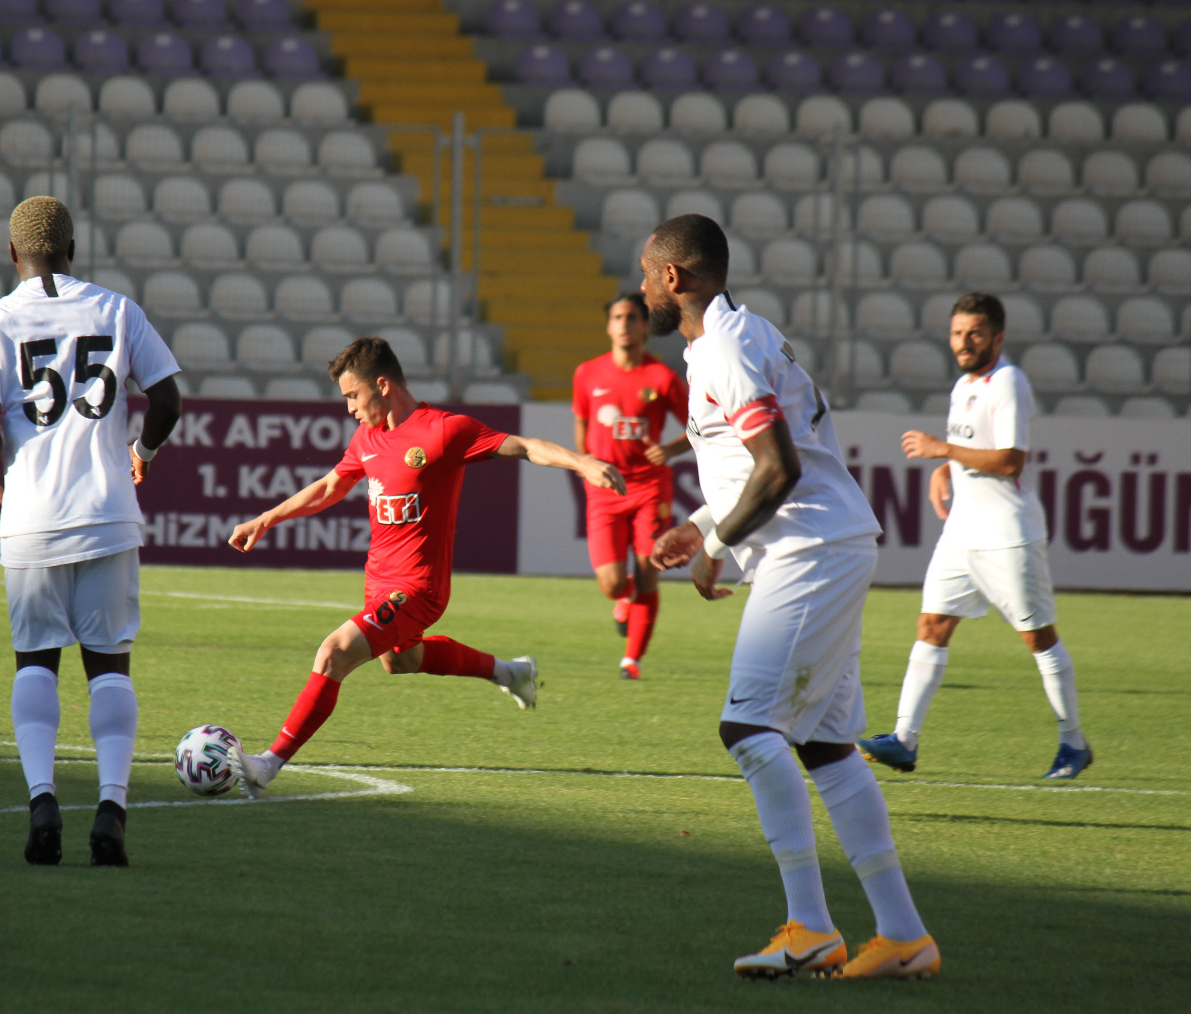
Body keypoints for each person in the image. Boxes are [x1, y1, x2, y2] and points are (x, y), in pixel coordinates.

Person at [645, 214, 938, 980]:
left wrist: (713, 550)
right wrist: (705, 521)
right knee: (825, 748)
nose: (641, 286)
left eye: (647, 273)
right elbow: (780, 460)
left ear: (675, 277)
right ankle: (903, 935)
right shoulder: (748, 335)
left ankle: (809, 925)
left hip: (805, 551)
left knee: (748, 728)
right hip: (824, 544)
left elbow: (778, 469)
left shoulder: (726, 349)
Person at [224, 336, 626, 798]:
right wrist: (267, 518)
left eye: (353, 396)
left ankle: (267, 764)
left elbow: (525, 446)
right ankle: (510, 672)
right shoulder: (367, 438)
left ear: (382, 385)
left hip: (417, 589)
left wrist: (583, 463)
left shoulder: (443, 431)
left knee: (333, 652)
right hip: (378, 582)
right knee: (402, 660)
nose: (349, 408)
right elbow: (330, 486)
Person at [0, 196, 183, 867]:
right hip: (109, 514)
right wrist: (141, 453)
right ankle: (112, 809)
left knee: (36, 662)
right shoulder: (118, 310)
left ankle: (42, 801)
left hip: (30, 522)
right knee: (109, 666)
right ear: (73, 248)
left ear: (11, 253)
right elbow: (168, 399)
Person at [858, 293, 1091, 781]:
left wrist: (942, 449)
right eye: (957, 333)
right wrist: (945, 467)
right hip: (963, 532)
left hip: (1008, 535)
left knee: (1037, 637)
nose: (963, 342)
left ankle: (1073, 744)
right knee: (931, 626)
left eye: (975, 334)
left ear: (997, 338)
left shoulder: (1008, 382)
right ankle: (904, 740)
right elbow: (974, 448)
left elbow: (1009, 460)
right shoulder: (964, 385)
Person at [571, 291, 690, 679]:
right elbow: (582, 423)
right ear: (609, 326)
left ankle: (631, 661)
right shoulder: (587, 373)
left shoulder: (661, 377)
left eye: (632, 318)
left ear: (644, 326)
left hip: (649, 488)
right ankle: (621, 601)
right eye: (618, 317)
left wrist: (670, 449)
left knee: (647, 573)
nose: (624, 324)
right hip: (604, 488)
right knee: (610, 584)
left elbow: (700, 425)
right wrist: (585, 462)